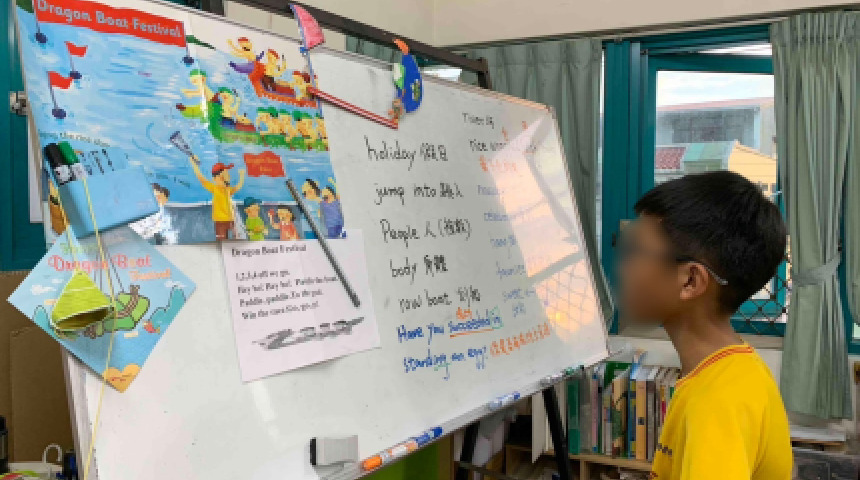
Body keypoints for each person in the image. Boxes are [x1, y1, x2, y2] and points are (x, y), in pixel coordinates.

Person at [618, 171, 791, 480]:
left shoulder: (716, 405)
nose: (622, 268)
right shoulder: (731, 371)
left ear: (690, 280)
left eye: (634, 252)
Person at [189, 161, 245, 240]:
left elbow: (237, 187)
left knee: (236, 240)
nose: (226, 178)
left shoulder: (228, 189)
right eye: (222, 177)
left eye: (227, 176)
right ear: (214, 179)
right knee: (221, 240)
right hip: (220, 220)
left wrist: (242, 176)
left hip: (231, 219)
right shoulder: (215, 188)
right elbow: (201, 179)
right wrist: (194, 165)